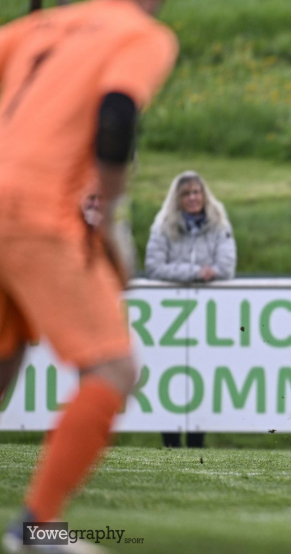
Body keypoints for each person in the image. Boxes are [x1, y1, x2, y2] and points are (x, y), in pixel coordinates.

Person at [0, 0, 177, 549]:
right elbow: (118, 113)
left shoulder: (40, 24)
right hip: (38, 214)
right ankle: (38, 526)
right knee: (112, 368)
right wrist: (113, 214)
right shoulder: (140, 35)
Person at [146, 171, 236, 448]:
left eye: (197, 192)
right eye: (186, 194)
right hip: (169, 319)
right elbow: (154, 267)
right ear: (178, 199)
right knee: (168, 377)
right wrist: (196, 272)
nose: (193, 198)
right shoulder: (162, 226)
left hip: (207, 320)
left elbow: (225, 268)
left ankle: (197, 439)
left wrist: (195, 273)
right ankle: (170, 441)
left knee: (202, 379)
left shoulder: (219, 225)